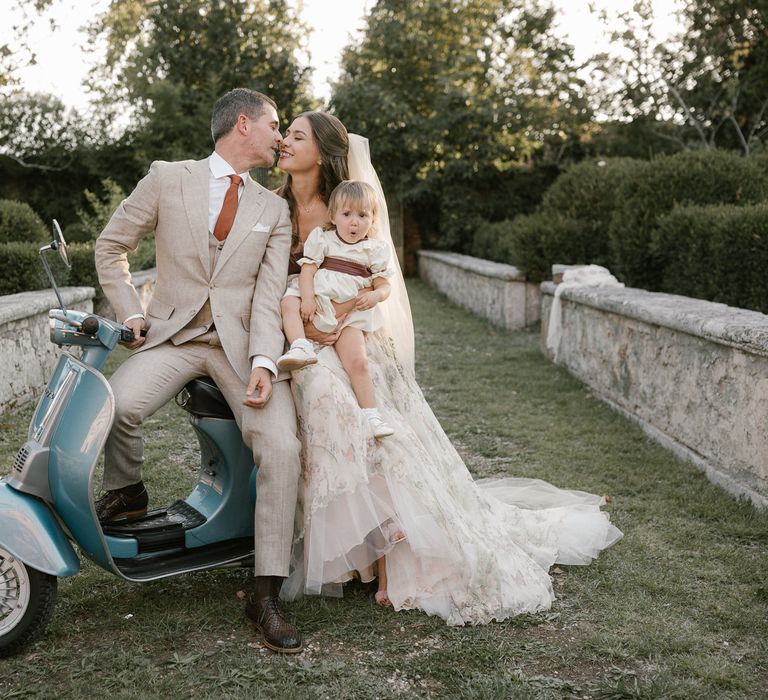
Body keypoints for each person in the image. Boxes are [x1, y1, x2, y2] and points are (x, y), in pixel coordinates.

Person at [277, 111, 623, 622]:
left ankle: (396, 552)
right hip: (304, 331)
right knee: (323, 399)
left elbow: (378, 286)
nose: (284, 141)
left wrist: (343, 319)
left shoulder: (351, 213)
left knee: (366, 421)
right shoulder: (275, 206)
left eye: (296, 136)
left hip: (356, 335)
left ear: (323, 153)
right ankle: (356, 555)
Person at [94, 88, 303, 653]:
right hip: (172, 336)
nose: (281, 135)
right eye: (275, 124)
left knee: (281, 448)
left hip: (238, 348)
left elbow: (265, 296)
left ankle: (265, 595)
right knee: (118, 405)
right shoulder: (167, 177)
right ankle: (128, 492)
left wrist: (264, 360)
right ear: (243, 124)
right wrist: (131, 312)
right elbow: (111, 245)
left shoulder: (273, 208)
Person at [277, 179, 396, 439]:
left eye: (362, 215)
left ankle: (372, 415)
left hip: (349, 314)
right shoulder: (324, 239)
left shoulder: (373, 249)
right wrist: (306, 298)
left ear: (372, 219)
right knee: (288, 301)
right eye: (347, 214)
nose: (354, 222)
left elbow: (384, 285)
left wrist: (376, 295)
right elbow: (307, 271)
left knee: (358, 361)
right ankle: (300, 345)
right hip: (316, 296)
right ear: (333, 216)